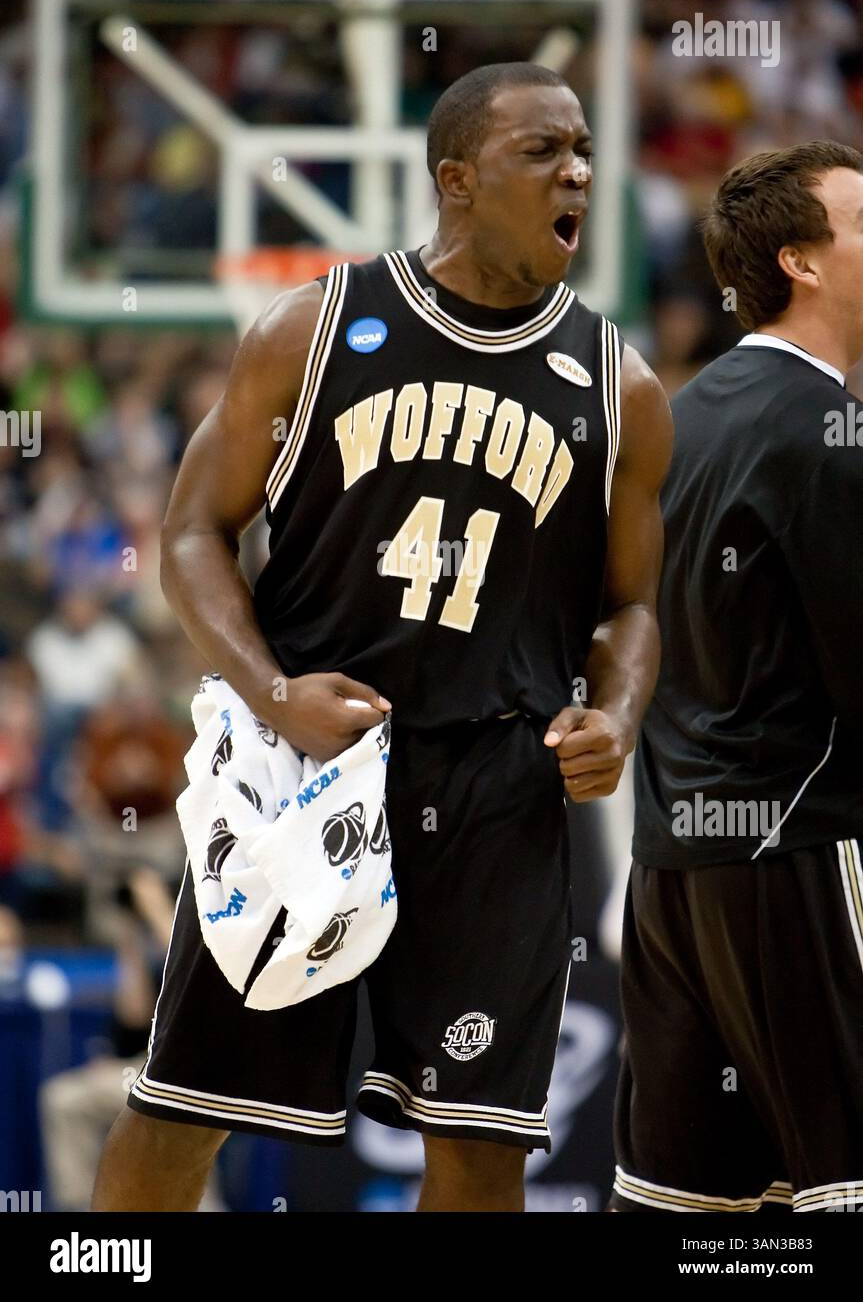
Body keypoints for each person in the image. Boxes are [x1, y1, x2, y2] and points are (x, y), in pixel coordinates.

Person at [93, 61, 672, 1213]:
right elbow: (192, 533)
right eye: (541, 152)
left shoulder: (621, 385)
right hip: (309, 767)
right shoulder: (312, 328)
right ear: (454, 180)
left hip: (498, 790)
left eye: (583, 151)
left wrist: (614, 711)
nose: (578, 173)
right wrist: (269, 694)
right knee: (187, 1107)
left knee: (477, 1148)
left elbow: (631, 606)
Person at [611, 140, 863, 1214]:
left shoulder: (681, 414)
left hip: (672, 867)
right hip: (801, 852)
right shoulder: (827, 431)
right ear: (802, 262)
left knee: (685, 1208)